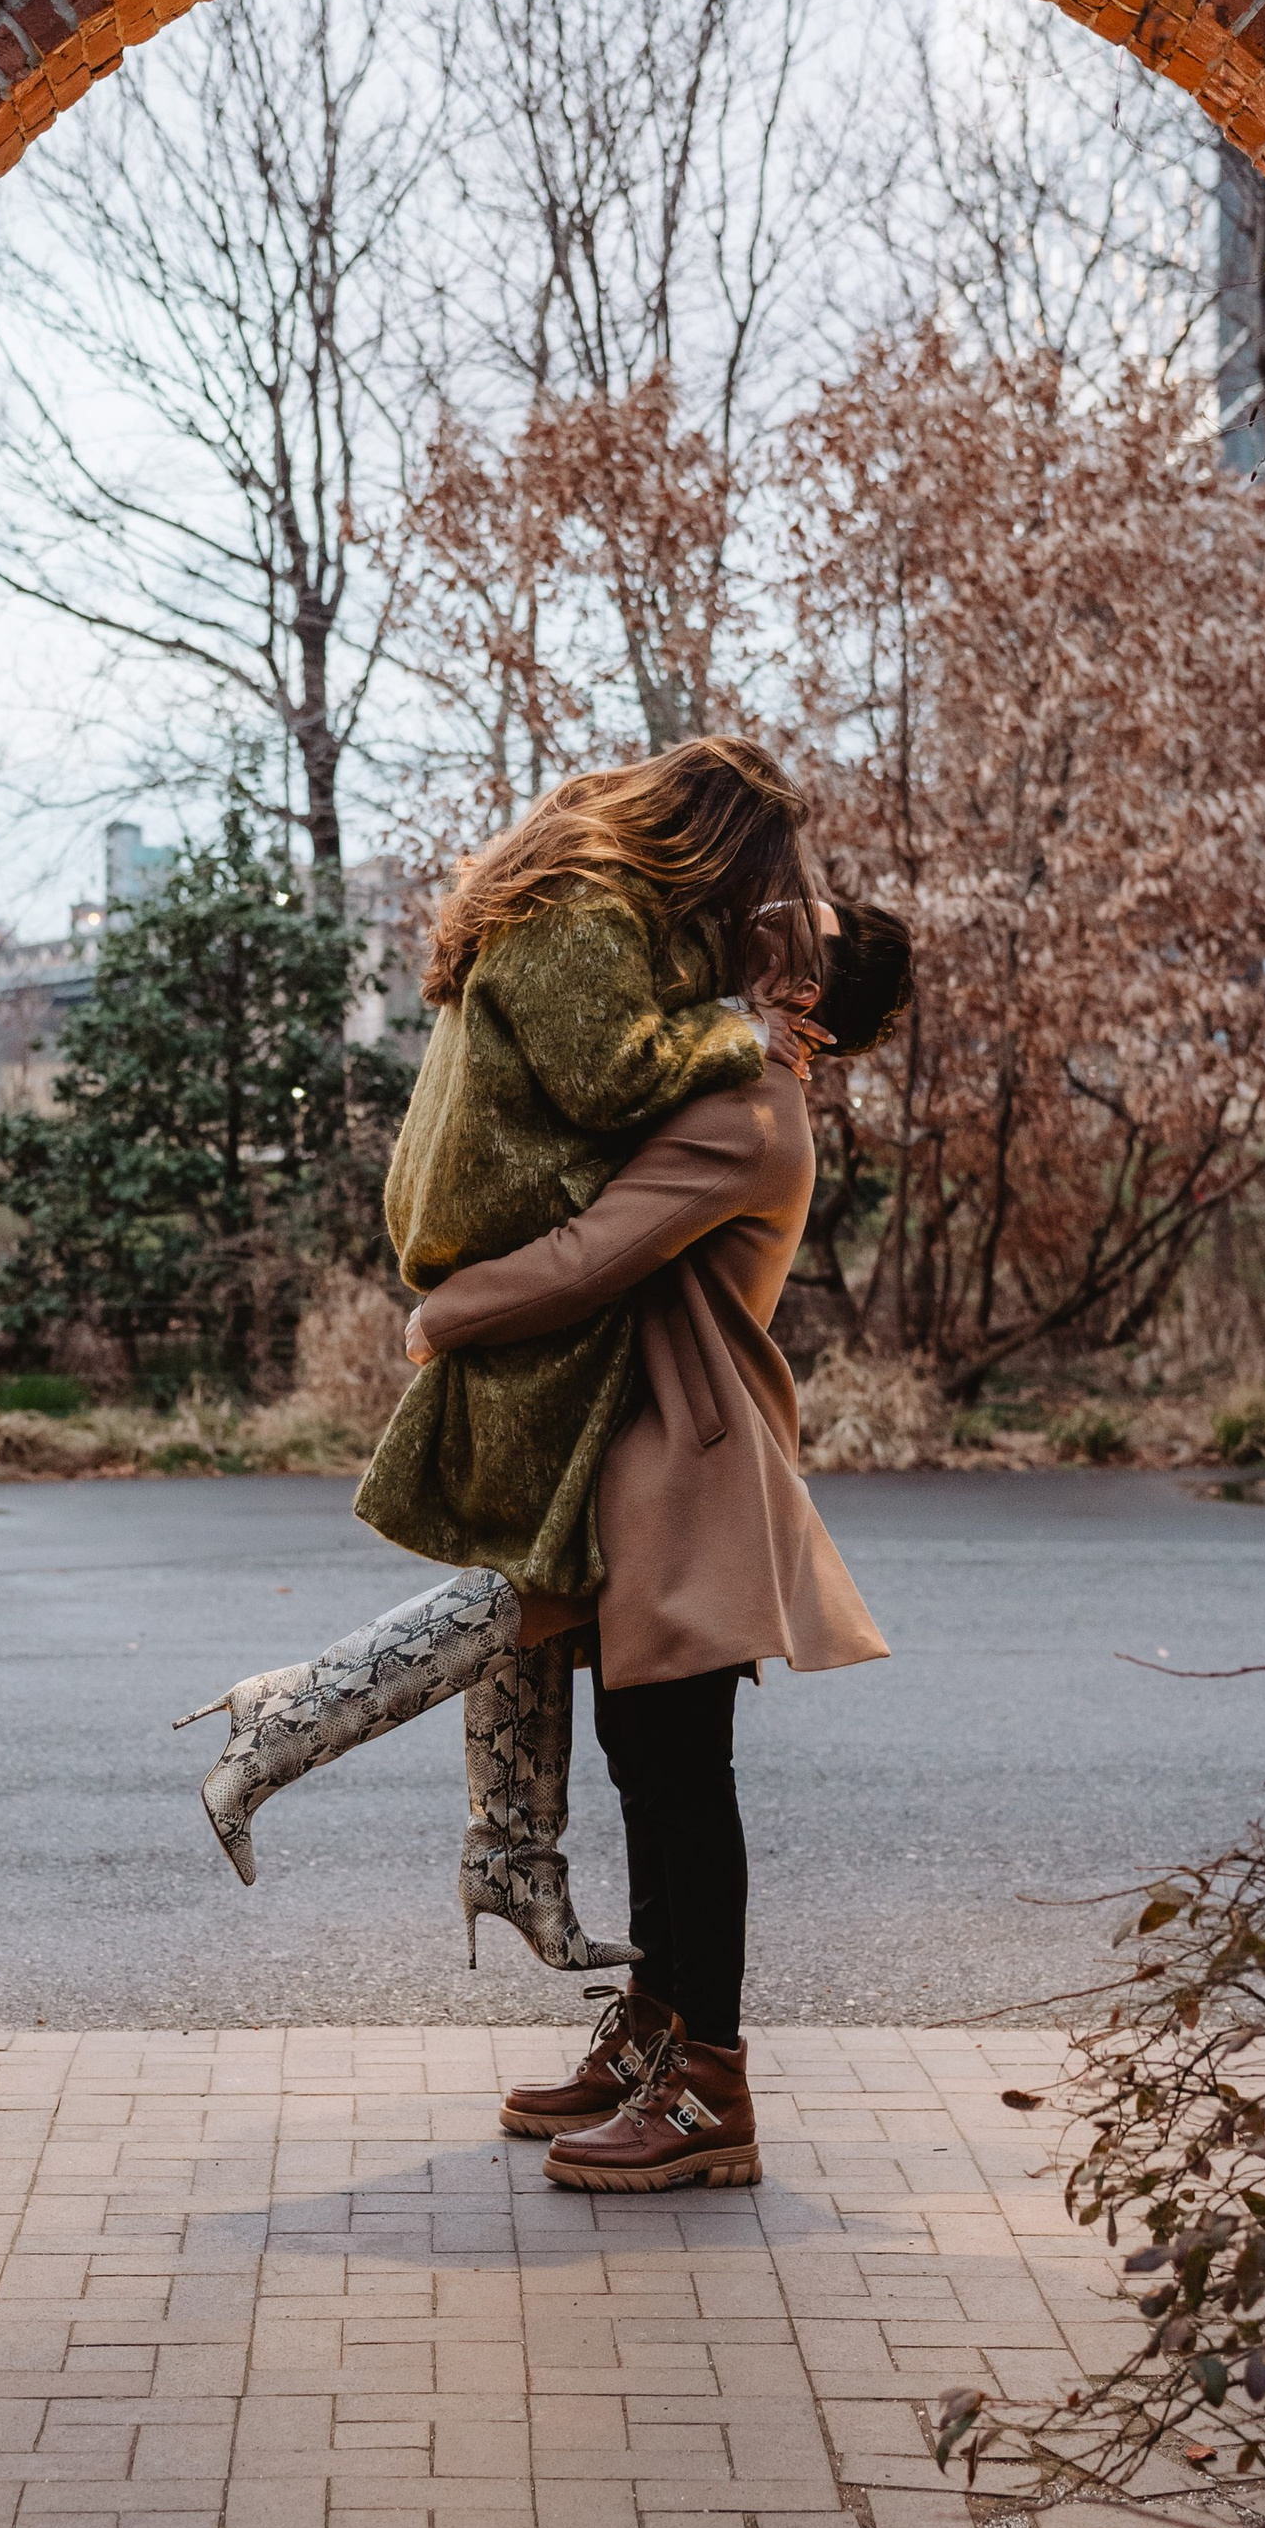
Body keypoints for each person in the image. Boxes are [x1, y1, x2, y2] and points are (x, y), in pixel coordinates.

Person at [181, 738, 819, 1968]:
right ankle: (305, 1725)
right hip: (514, 1234)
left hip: (540, 1269)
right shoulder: (591, 913)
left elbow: (610, 1160)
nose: (741, 933)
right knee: (531, 1587)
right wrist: (740, 1027)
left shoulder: (592, 908)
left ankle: (504, 1850)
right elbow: (614, 1076)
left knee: (531, 1583)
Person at [405, 900, 915, 2194]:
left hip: (689, 1488)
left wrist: (445, 1313)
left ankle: (711, 2092)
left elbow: (592, 1253)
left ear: (806, 997)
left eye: (792, 928)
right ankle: (656, 2038)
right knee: (651, 1768)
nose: (763, 918)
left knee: (685, 1781)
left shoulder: (745, 1116)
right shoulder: (728, 1083)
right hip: (648, 1474)